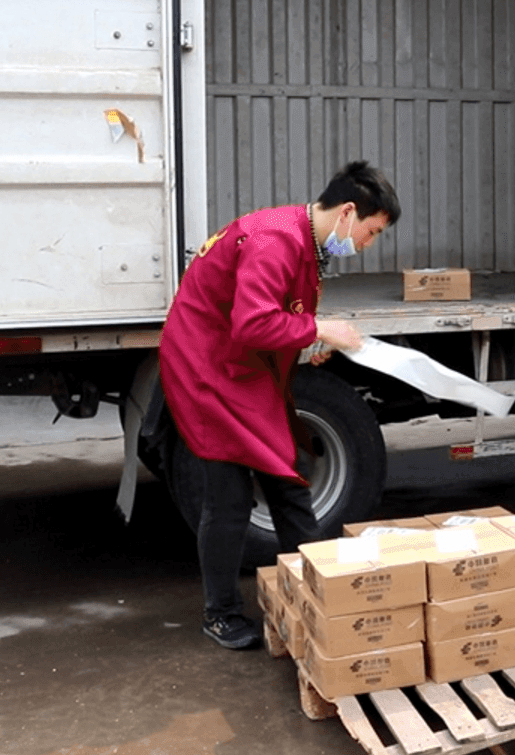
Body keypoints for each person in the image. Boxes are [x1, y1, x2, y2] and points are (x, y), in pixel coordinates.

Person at [157, 160, 400, 649]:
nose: (368, 244)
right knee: (228, 495)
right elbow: (252, 323)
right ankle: (220, 614)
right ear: (348, 212)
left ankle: (321, 592)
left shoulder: (302, 239)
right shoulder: (276, 241)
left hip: (243, 368)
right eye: (372, 232)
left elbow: (278, 313)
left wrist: (309, 339)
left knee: (288, 475)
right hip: (208, 369)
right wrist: (320, 328)